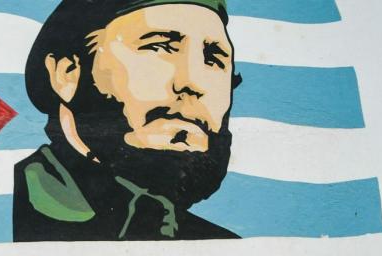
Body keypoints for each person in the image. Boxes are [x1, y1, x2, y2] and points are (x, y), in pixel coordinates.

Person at [13, 0, 241, 242]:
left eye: (214, 59)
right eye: (160, 46)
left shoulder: (224, 251)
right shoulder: (22, 210)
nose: (193, 83)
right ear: (66, 74)